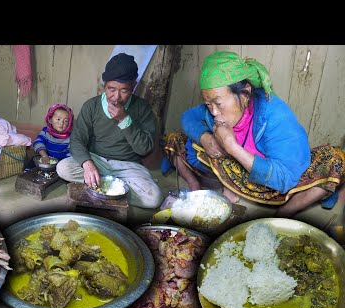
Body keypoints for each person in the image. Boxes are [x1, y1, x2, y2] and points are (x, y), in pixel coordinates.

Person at [165, 51, 345, 217]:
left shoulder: (274, 114)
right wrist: (205, 137)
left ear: (245, 94)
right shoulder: (212, 110)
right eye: (208, 104)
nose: (213, 112)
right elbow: (188, 117)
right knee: (176, 138)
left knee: (335, 159)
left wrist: (233, 148)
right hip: (235, 174)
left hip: (272, 186)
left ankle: (283, 213)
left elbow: (284, 179)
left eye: (218, 103)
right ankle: (197, 188)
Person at [56, 52, 163, 209]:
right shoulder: (91, 106)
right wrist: (87, 164)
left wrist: (124, 120)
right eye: (111, 89)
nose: (116, 97)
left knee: (154, 198)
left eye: (124, 90)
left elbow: (144, 148)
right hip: (96, 160)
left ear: (133, 86)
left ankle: (105, 187)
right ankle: (111, 186)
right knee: (63, 168)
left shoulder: (142, 108)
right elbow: (77, 140)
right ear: (104, 86)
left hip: (128, 166)